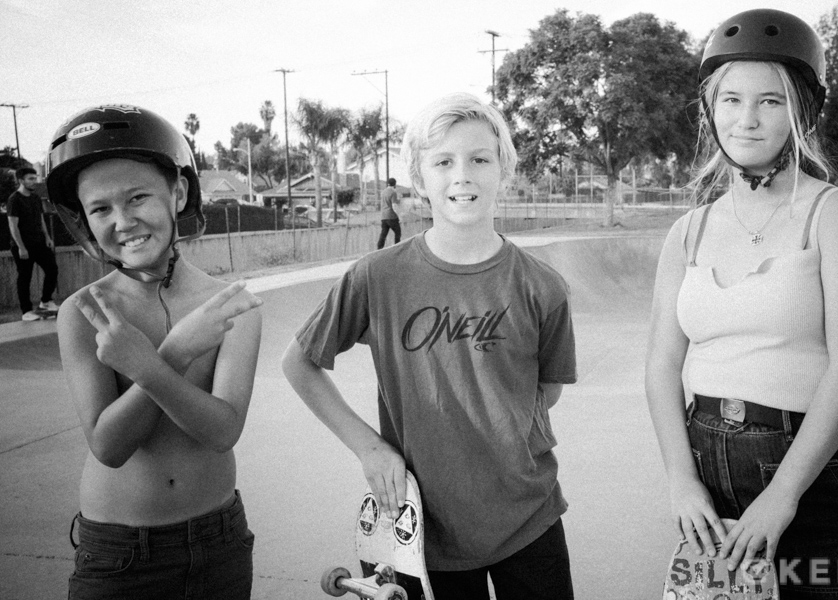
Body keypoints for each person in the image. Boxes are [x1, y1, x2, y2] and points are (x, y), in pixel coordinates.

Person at [283, 92, 576, 600]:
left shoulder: (541, 286)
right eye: (443, 162)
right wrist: (369, 448)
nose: (462, 175)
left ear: (503, 171)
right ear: (419, 180)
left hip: (528, 515)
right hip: (418, 525)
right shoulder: (378, 277)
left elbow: (545, 390)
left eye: (480, 159)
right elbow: (300, 364)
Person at [644, 9, 838, 598]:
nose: (747, 120)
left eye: (771, 101)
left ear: (802, 111)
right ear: (710, 109)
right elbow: (660, 366)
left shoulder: (835, 213)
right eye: (730, 100)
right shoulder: (689, 230)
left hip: (815, 467)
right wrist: (681, 479)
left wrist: (782, 495)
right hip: (708, 463)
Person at [46, 105, 263, 600]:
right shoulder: (83, 313)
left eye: (138, 197)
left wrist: (148, 364)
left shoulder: (231, 307)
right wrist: (175, 352)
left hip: (219, 543)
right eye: (100, 209)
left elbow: (222, 431)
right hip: (120, 554)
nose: (122, 221)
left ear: (178, 193)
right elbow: (110, 446)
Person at [7, 166, 60, 320]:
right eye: (30, 179)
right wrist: (21, 247)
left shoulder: (35, 198)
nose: (34, 181)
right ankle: (26, 311)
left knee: (52, 269)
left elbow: (40, 219)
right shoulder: (14, 199)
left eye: (35, 178)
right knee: (25, 277)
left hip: (39, 243)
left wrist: (48, 238)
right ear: (21, 180)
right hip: (23, 246)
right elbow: (13, 225)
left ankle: (45, 301)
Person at [377, 176, 401, 248]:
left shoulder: (383, 192)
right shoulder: (393, 192)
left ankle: (379, 249)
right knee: (398, 233)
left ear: (388, 184)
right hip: (392, 216)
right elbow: (394, 205)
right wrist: (399, 216)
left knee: (383, 234)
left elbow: (388, 202)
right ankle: (397, 248)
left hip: (383, 216)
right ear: (395, 184)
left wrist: (398, 200)